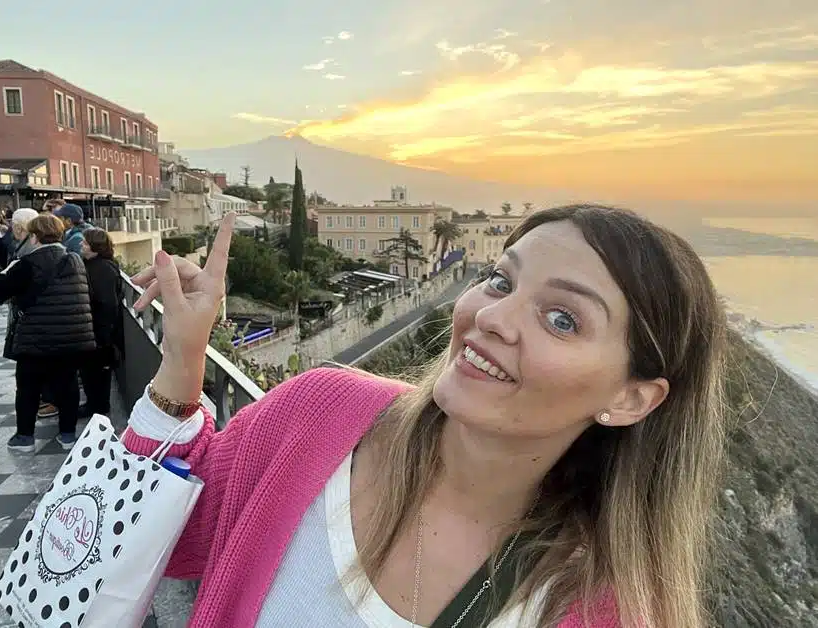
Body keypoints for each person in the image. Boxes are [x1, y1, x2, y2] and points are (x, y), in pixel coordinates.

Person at [117, 206, 730, 628]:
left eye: (562, 318)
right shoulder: (320, 415)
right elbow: (164, 540)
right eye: (499, 280)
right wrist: (181, 359)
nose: (492, 316)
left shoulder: (600, 609)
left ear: (629, 399)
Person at [0, 214, 96, 452]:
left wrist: (7, 272)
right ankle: (67, 436)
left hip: (37, 338)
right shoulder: (75, 259)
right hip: (73, 337)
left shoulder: (27, 264)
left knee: (28, 387)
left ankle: (24, 437)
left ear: (34, 237)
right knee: (67, 386)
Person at [78, 228, 123, 417]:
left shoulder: (101, 269)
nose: (81, 245)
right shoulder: (98, 265)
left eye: (85, 242)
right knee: (92, 372)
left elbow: (107, 303)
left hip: (99, 332)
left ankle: (98, 407)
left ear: (94, 247)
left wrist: (104, 337)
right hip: (96, 331)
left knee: (97, 372)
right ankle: (94, 405)